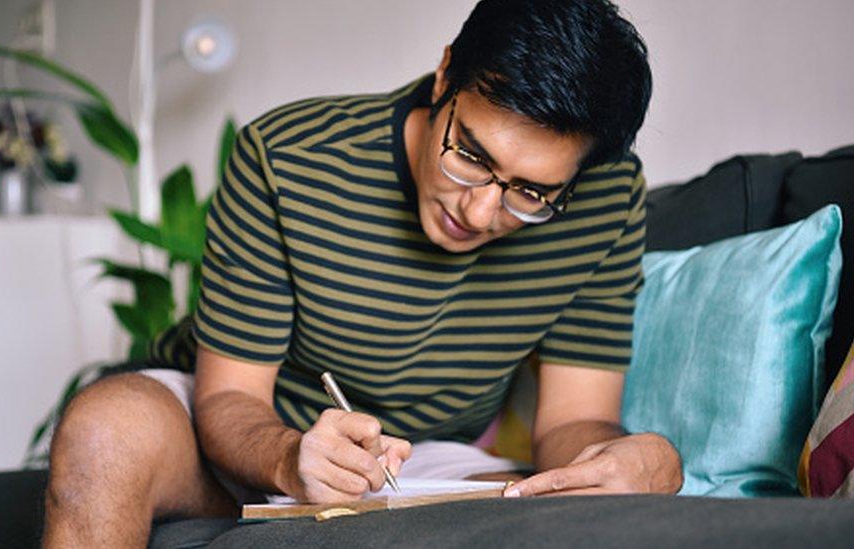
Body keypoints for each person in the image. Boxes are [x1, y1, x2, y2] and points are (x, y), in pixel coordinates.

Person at [42, 0, 682, 546]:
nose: (481, 210)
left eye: (532, 193)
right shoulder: (288, 158)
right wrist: (294, 459)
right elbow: (229, 397)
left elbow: (573, 420)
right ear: (442, 77)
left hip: (423, 460)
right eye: (470, 155)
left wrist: (618, 466)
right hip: (250, 427)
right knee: (107, 431)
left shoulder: (607, 199)